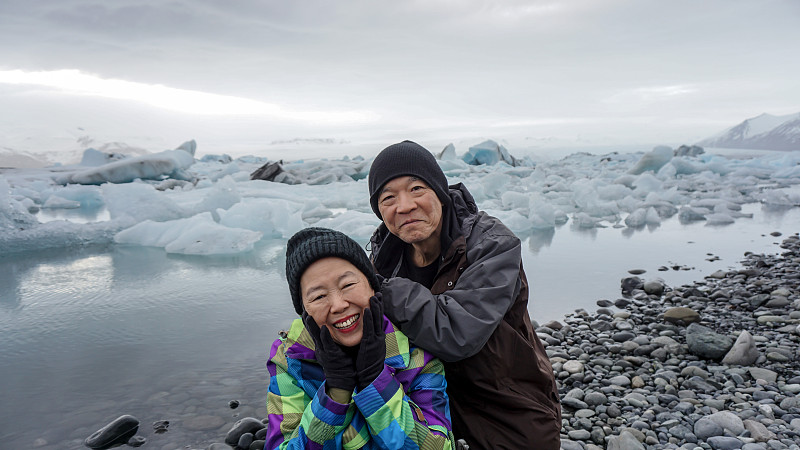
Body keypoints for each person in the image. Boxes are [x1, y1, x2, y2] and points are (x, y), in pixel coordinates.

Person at [367, 141, 562, 450]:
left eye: (416, 189)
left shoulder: (492, 245)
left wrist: (381, 288)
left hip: (501, 401)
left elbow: (457, 333)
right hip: (424, 397)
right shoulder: (386, 256)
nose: (403, 206)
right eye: (388, 197)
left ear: (440, 192)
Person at [265, 227, 455, 450]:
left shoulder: (416, 354)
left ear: (372, 287)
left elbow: (440, 447)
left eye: (348, 285)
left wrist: (376, 381)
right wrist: (336, 392)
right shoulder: (291, 360)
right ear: (304, 311)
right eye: (318, 296)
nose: (338, 305)